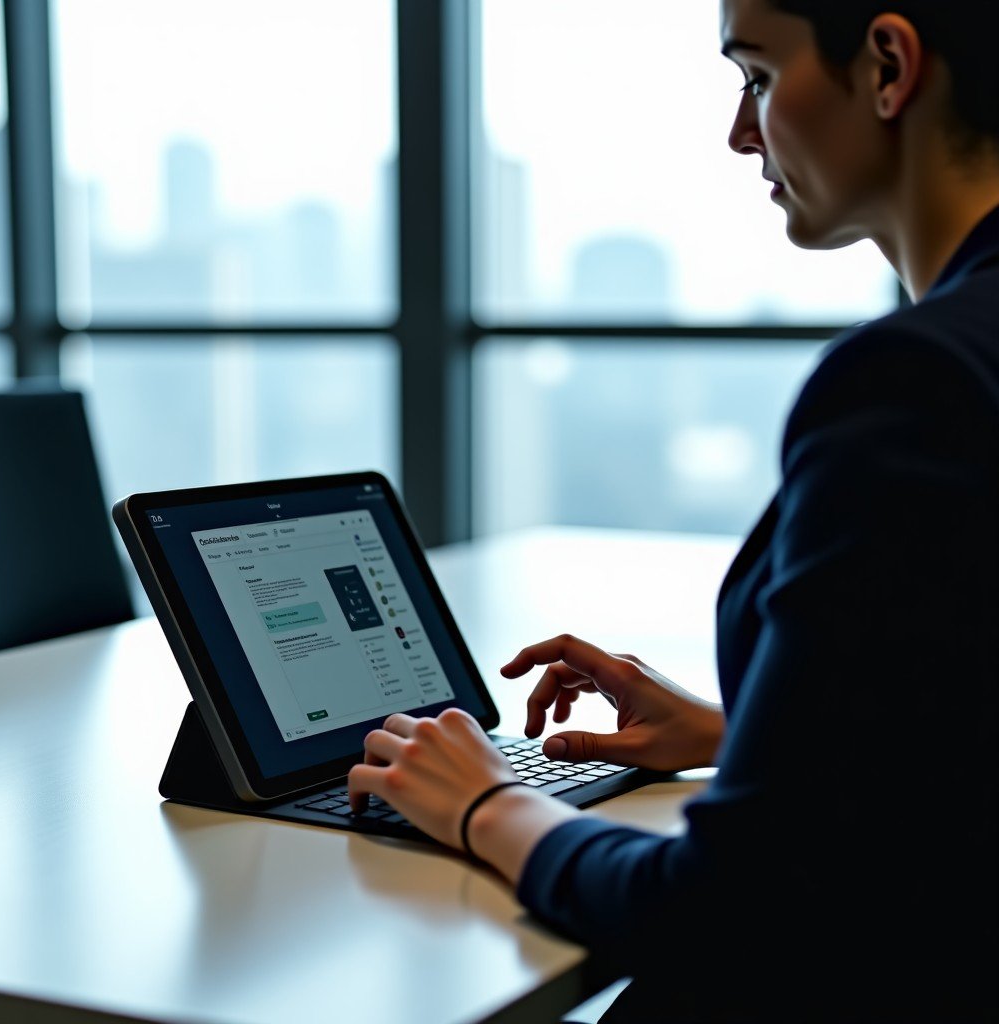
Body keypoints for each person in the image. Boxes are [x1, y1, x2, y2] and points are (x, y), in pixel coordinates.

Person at [350, 1, 999, 1019]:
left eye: (757, 76)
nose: (741, 132)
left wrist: (486, 804)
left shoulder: (917, 384)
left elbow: (728, 909)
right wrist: (746, 732)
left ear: (886, 65)